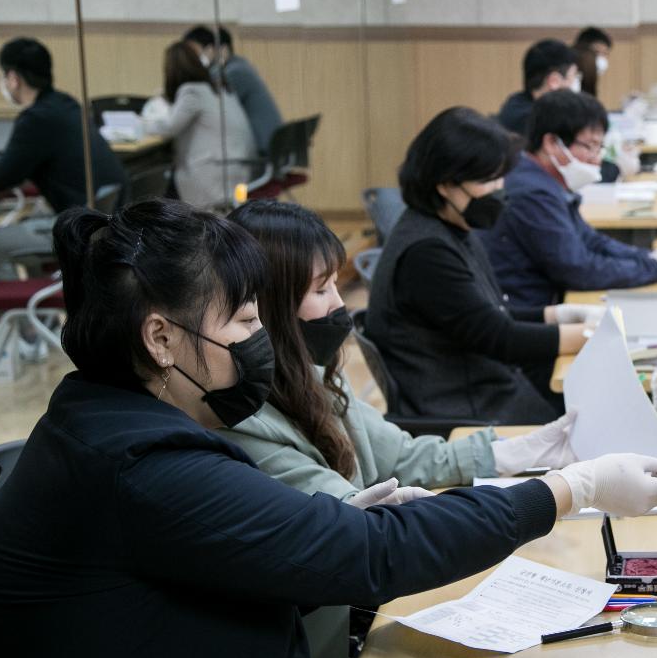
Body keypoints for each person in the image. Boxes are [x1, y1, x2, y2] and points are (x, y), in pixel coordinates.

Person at [0, 197, 657, 658]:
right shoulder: (143, 462)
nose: (257, 339)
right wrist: (570, 488)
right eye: (241, 321)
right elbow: (374, 554)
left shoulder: (101, 416)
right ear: (160, 339)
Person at [223, 198, 580, 496]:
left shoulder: (312, 374)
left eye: (336, 285)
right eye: (321, 290)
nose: (339, 303)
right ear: (266, 306)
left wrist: (512, 453)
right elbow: (346, 521)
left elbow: (402, 456)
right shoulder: (246, 422)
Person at [366, 107, 596, 424]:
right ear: (445, 184)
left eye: (500, 176)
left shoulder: (449, 225)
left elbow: (485, 314)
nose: (499, 189)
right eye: (487, 180)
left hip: (486, 390)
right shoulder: (426, 253)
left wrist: (557, 315)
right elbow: (500, 338)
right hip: (470, 411)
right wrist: (590, 335)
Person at [482, 89, 657, 310]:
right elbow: (578, 269)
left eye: (599, 147)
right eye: (590, 146)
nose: (597, 158)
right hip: (530, 314)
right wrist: (655, 268)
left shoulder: (544, 180)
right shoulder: (532, 192)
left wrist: (648, 257)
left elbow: (590, 240)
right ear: (552, 143)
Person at [0, 37, 126, 287]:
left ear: (13, 78)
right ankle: (39, 313)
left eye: (2, 77)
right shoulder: (65, 104)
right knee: (21, 230)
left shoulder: (36, 119)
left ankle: (21, 321)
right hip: (98, 219)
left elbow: (0, 178)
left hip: (79, 228)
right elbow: (17, 163)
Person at [141, 41, 257, 209]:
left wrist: (139, 124)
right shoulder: (219, 88)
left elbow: (169, 127)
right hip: (238, 168)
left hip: (213, 172)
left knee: (158, 187)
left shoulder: (191, 92)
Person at [184, 25, 283, 155]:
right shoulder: (239, 65)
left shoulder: (235, 72)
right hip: (263, 143)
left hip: (261, 148)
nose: (198, 58)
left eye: (204, 51)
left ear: (223, 50)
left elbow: (207, 102)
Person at [497, 39, 580, 135]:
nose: (576, 81)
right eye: (574, 75)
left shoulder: (517, 104)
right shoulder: (539, 122)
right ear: (554, 81)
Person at [573, 26, 612, 99]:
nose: (601, 59)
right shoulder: (569, 80)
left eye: (605, 54)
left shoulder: (587, 78)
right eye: (596, 52)